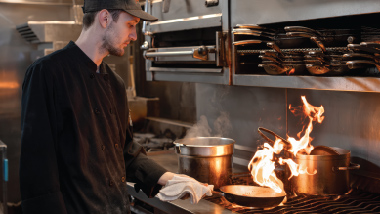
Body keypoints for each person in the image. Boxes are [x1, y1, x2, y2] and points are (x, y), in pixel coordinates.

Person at [20, 0, 211, 213]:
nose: (134, 36)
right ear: (104, 18)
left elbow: (126, 152)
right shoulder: (47, 74)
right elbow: (37, 174)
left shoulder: (115, 84)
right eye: (130, 25)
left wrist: (170, 179)